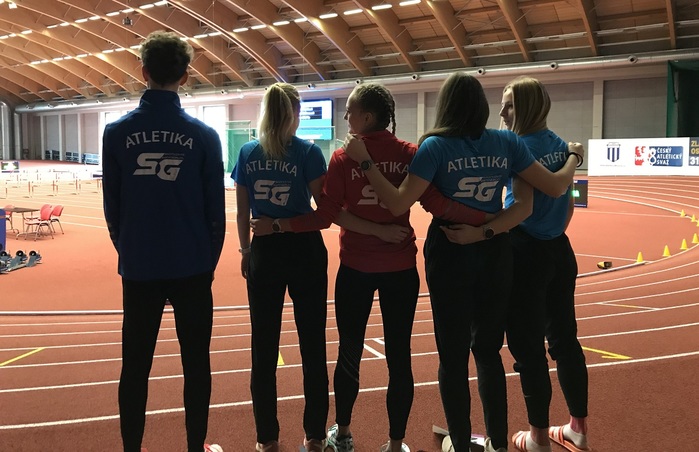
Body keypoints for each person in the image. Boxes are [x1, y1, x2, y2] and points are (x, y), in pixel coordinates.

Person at [342, 72, 584, 452]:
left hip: (451, 252)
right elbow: (528, 204)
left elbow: (398, 202)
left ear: (445, 106)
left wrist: (367, 163)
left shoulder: (435, 147)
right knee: (488, 353)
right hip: (495, 253)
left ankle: (459, 442)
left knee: (453, 359)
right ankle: (498, 444)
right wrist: (486, 231)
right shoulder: (506, 141)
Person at [251, 83, 488, 452]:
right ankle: (396, 443)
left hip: (356, 269)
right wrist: (488, 221)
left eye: (350, 111)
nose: (345, 117)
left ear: (367, 116)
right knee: (399, 356)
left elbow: (327, 215)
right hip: (400, 269)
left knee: (350, 352)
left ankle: (344, 434)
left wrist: (278, 226)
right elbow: (436, 202)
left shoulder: (343, 157)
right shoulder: (410, 153)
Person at [102, 31, 226, 452]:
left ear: (143, 71)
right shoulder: (204, 136)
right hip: (193, 267)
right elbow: (215, 213)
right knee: (196, 366)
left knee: (135, 367)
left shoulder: (116, 133)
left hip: (139, 268)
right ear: (185, 76)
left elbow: (112, 209)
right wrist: (206, 263)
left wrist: (130, 251)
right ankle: (195, 447)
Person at [233, 82, 332, 452]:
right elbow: (324, 214)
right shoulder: (309, 152)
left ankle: (267, 439)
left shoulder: (247, 152)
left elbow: (241, 213)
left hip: (265, 250)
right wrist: (283, 224)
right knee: (313, 345)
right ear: (295, 114)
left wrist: (247, 250)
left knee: (263, 348)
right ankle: (315, 436)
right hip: (304, 250)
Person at [498, 77, 590, 452]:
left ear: (527, 107)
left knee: (528, 348)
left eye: (509, 104)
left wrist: (486, 232)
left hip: (526, 253)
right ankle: (577, 429)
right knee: (565, 341)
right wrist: (553, 233)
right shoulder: (558, 143)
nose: (502, 111)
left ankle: (537, 438)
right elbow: (568, 202)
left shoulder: (519, 147)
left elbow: (523, 206)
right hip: (559, 249)